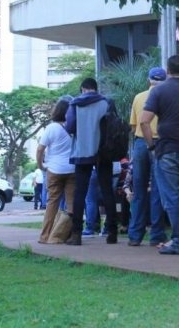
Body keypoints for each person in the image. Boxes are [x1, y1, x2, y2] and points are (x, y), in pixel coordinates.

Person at [141, 54, 179, 255]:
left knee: (172, 197)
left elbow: (144, 121)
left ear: (167, 70)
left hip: (167, 149)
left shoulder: (159, 91)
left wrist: (151, 146)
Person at [65, 77, 118, 246]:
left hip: (82, 151)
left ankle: (76, 234)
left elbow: (70, 127)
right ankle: (112, 232)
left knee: (80, 192)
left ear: (82, 89)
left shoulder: (74, 104)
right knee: (107, 191)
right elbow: (114, 125)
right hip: (104, 151)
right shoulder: (107, 102)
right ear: (96, 88)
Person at [127, 67, 168, 247]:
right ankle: (157, 235)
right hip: (160, 143)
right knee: (158, 190)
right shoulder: (167, 96)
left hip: (141, 143)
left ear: (149, 79)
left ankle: (135, 235)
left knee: (139, 189)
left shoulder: (138, 97)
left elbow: (134, 124)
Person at [37, 97, 76, 244]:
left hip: (54, 169)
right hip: (72, 168)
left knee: (52, 202)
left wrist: (41, 165)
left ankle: (45, 235)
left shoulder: (51, 128)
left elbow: (40, 149)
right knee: (71, 203)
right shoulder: (74, 127)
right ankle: (69, 235)